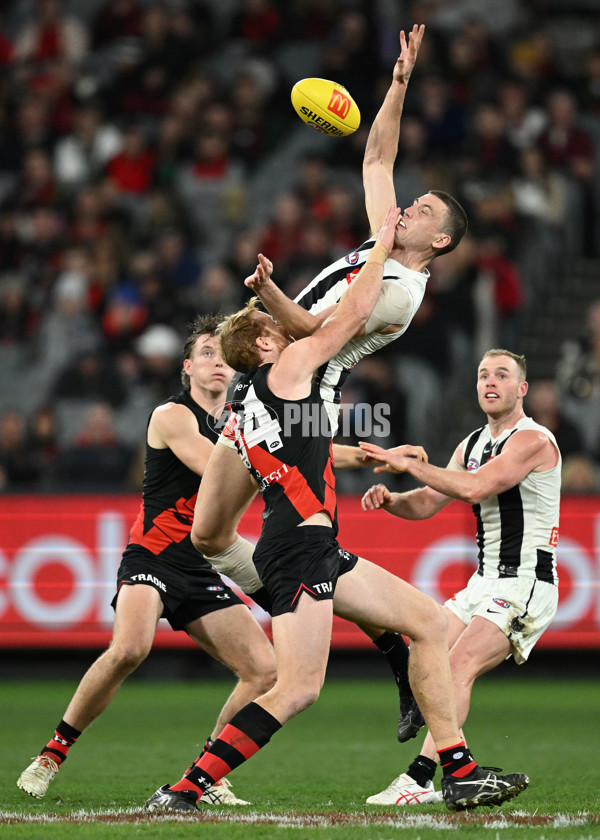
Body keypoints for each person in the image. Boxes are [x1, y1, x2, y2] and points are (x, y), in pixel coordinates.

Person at [145, 208, 529, 814]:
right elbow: (349, 316)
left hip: (309, 545)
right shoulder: (294, 368)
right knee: (298, 687)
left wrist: (376, 454)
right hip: (298, 546)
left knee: (427, 622)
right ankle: (187, 788)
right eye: (272, 327)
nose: (282, 329)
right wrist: (379, 251)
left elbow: (310, 451)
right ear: (269, 345)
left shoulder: (255, 413)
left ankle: (456, 768)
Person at [237, 23, 467, 741]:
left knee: (303, 555)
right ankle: (393, 644)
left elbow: (315, 335)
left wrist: (272, 297)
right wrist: (396, 86)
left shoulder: (396, 288)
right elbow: (376, 155)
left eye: (424, 210)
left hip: (302, 406)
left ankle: (398, 646)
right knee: (217, 536)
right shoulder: (383, 245)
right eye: (415, 201)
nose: (409, 207)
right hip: (277, 393)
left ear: (441, 243)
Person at [17, 315, 278, 806]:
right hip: (153, 557)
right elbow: (218, 468)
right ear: (187, 368)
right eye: (206, 353)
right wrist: (282, 458)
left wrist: (352, 455)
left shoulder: (242, 421)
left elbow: (262, 461)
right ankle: (53, 753)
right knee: (130, 649)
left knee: (266, 671)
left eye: (225, 353)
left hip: (200, 565)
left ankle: (207, 774)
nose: (217, 360)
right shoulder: (171, 415)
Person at [359, 348, 560, 805]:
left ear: (521, 389)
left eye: (502, 375)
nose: (491, 382)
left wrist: (410, 463)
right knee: (423, 657)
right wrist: (393, 499)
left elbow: (476, 487)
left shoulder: (534, 440)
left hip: (524, 583)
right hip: (483, 583)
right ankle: (446, 772)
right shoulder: (470, 445)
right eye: (484, 374)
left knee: (454, 668)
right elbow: (428, 502)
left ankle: (419, 779)